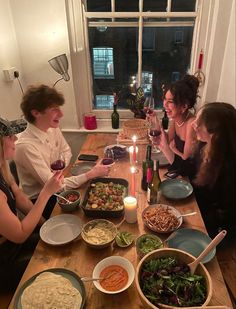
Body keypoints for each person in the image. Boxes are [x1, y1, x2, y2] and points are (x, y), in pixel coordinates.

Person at [15, 85, 109, 219]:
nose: (61, 114)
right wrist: (90, 174)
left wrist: (60, 169)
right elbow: (55, 188)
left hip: (57, 185)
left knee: (96, 195)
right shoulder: (25, 146)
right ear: (36, 113)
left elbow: (66, 150)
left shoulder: (51, 127)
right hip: (38, 203)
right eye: (55, 110)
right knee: (87, 212)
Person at [0, 117, 64, 292]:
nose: (15, 139)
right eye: (9, 137)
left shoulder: (2, 168)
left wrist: (46, 224)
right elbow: (20, 234)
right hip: (5, 260)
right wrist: (46, 193)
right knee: (57, 269)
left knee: (61, 245)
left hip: (13, 245)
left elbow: (19, 196)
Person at [189, 102, 236, 239]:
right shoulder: (203, 145)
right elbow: (191, 170)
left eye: (199, 123)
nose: (193, 124)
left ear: (215, 134)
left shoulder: (228, 168)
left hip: (214, 230)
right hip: (195, 208)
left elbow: (224, 215)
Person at [157, 75, 199, 172]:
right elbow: (167, 141)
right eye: (165, 99)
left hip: (188, 175)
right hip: (177, 166)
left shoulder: (191, 123)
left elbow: (185, 158)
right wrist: (155, 120)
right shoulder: (176, 119)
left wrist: (173, 149)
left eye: (170, 101)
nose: (165, 104)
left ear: (184, 106)